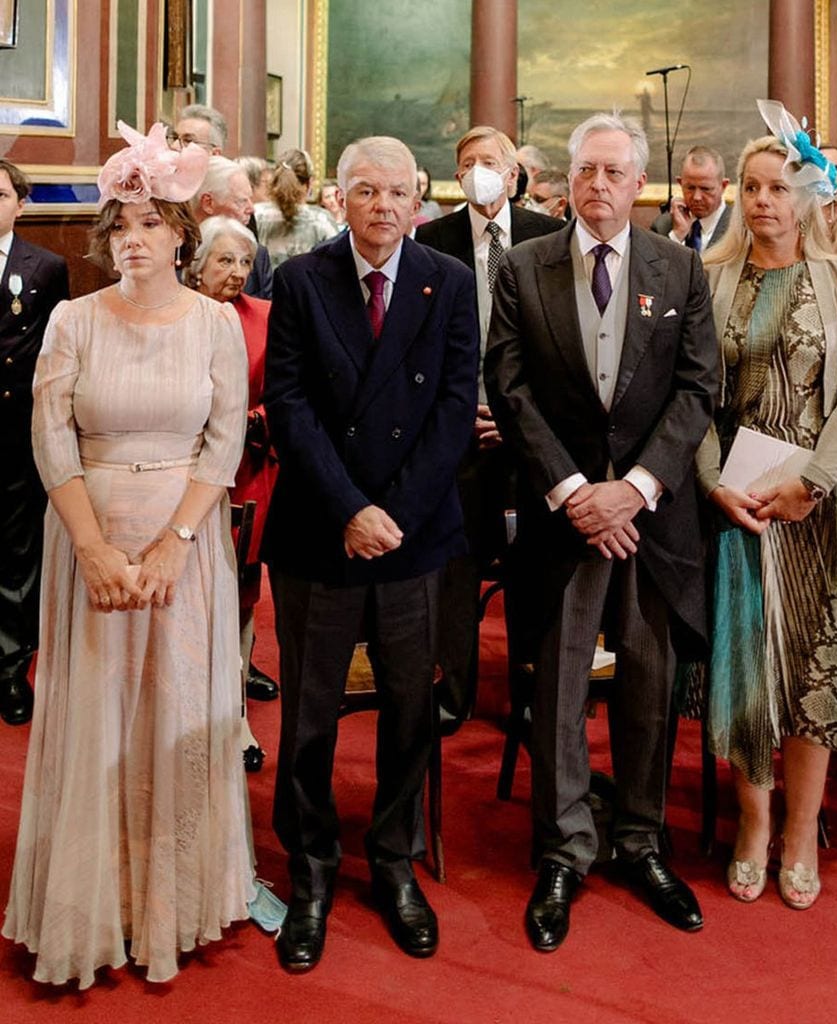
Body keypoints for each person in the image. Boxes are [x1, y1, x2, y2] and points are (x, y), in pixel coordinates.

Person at [2, 121, 252, 987]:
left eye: (151, 224)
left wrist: (179, 543)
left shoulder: (216, 324)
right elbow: (50, 440)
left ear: (181, 234)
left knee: (176, 713)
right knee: (99, 717)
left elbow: (224, 447)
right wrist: (93, 548)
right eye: (122, 226)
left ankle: (172, 902)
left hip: (185, 541)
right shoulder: (72, 319)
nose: (135, 239)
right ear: (107, 239)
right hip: (91, 538)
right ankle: (92, 900)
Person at [485, 112, 719, 951]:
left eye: (614, 172)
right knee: (559, 687)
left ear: (639, 183)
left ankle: (641, 841)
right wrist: (580, 492)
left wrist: (638, 489)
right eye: (586, 170)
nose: (597, 185)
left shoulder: (680, 269)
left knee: (650, 686)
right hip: (565, 516)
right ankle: (563, 848)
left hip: (651, 522)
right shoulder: (522, 267)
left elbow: (698, 389)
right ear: (568, 179)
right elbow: (508, 385)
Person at [262, 135, 477, 971]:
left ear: (418, 201)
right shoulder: (302, 280)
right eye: (365, 191)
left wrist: (394, 512)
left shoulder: (448, 282)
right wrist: (352, 508)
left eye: (397, 192)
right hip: (322, 529)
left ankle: (394, 861)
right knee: (311, 714)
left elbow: (457, 405)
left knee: (409, 709)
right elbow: (288, 403)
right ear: (340, 199)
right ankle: (311, 870)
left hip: (416, 532)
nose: (383, 206)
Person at [695, 101, 837, 910]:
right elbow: (694, 401)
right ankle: (752, 821)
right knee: (748, 671)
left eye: (777, 187)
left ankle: (801, 831)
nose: (762, 201)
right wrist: (715, 481)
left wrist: (812, 480)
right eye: (750, 187)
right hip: (741, 500)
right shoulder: (709, 280)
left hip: (820, 502)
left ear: (807, 195)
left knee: (819, 668)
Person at [416, 127, 562, 727]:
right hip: (458, 429)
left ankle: (531, 689)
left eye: (492, 162)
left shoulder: (549, 236)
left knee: (534, 562)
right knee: (457, 566)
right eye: (468, 162)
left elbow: (561, 346)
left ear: (513, 175)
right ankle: (454, 690)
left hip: (530, 429)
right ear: (457, 177)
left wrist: (518, 417)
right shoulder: (433, 239)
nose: (480, 170)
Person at [189, 215, 278, 767]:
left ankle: (235, 713)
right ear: (197, 265)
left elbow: (286, 392)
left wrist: (255, 417)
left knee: (242, 597)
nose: (237, 273)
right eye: (224, 261)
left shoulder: (267, 318)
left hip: (249, 473)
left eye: (245, 262)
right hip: (186, 475)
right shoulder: (177, 316)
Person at [0, 159, 69, 726]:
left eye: (0, 194)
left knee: (18, 550)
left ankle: (10, 667)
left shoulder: (46, 267)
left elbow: (53, 360)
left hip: (15, 427)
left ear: (20, 203)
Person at [193, 154, 274, 302]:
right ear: (208, 203)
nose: (251, 209)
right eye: (241, 201)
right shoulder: (173, 254)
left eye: (244, 263)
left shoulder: (257, 256)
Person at [254, 148, 340, 270]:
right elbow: (335, 265)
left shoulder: (257, 215)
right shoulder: (321, 220)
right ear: (310, 183)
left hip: (264, 288)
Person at [650, 145, 732, 252]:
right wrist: (677, 236)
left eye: (705, 189)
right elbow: (652, 268)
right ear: (680, 183)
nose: (697, 197)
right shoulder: (662, 226)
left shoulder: (741, 228)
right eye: (690, 188)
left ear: (723, 186)